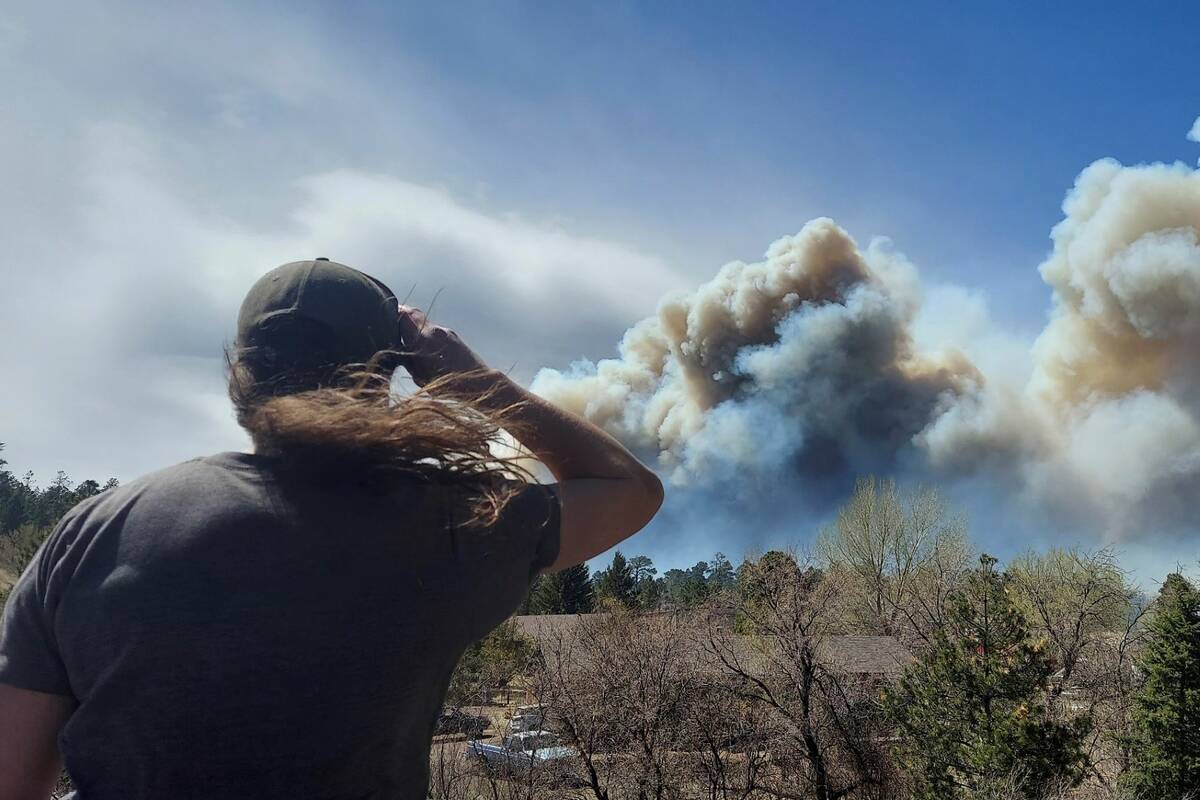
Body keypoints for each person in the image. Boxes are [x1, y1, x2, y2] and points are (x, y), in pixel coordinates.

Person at [0, 258, 664, 799]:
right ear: (386, 379)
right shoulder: (451, 527)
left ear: (241, 375)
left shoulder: (91, 532)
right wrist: (472, 381)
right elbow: (630, 492)